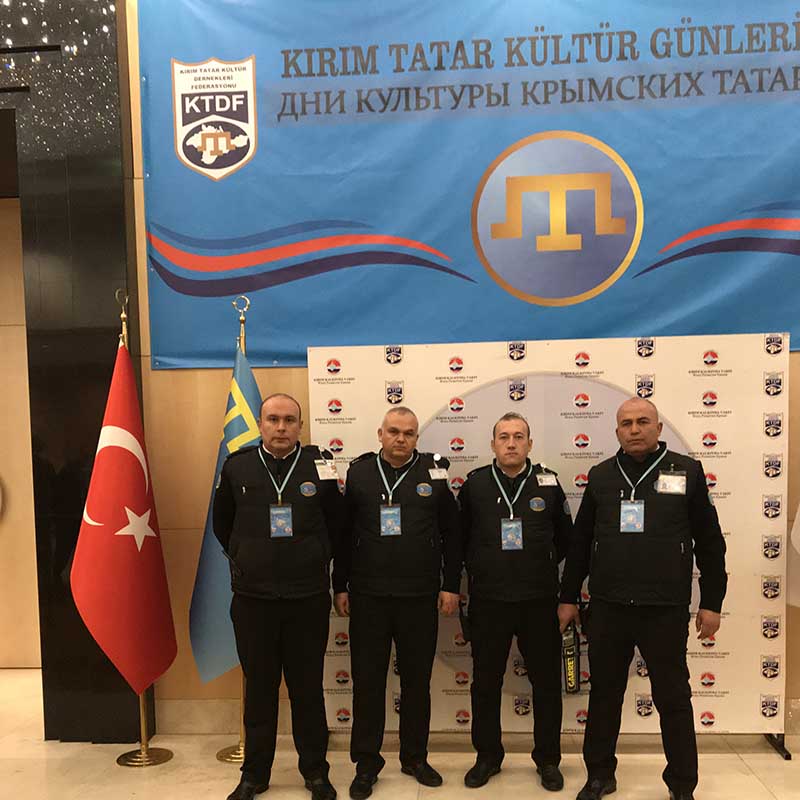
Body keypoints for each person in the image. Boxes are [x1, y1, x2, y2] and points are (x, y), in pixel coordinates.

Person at [558, 398, 727, 800]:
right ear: (617, 431)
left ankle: (682, 785)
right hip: (608, 607)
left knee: (673, 699)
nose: (634, 429)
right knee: (604, 697)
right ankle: (599, 775)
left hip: (664, 608)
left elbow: (709, 542)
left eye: (643, 422)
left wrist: (712, 602)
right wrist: (568, 597)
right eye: (626, 423)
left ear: (658, 428)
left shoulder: (687, 472)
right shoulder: (600, 476)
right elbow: (580, 544)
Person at [213, 393, 345, 800]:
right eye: (273, 419)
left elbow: (338, 525)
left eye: (290, 420)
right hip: (254, 601)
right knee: (259, 690)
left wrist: (317, 557)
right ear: (260, 424)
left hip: (307, 598)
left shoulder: (320, 466)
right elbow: (222, 524)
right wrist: (246, 557)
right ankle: (254, 774)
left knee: (308, 690)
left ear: (300, 426)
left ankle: (315, 772)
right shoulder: (237, 466)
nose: (282, 427)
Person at [333, 406, 462, 800]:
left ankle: (415, 758)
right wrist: (340, 585)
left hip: (419, 596)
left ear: (417, 438)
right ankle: (366, 764)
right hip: (368, 596)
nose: (400, 438)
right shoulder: (359, 473)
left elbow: (453, 533)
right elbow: (342, 534)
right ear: (380, 433)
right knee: (367, 683)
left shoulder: (434, 474)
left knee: (416, 683)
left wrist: (450, 585)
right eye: (393, 431)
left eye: (408, 433)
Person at [459, 412, 573, 792]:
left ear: (530, 443)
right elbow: (459, 540)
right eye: (504, 437)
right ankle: (487, 756)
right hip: (489, 600)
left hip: (538, 600)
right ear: (493, 444)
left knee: (546, 684)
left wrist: (536, 565)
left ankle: (548, 760)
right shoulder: (475, 485)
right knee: (485, 683)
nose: (511, 443)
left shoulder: (548, 484)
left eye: (519, 436)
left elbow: (566, 541)